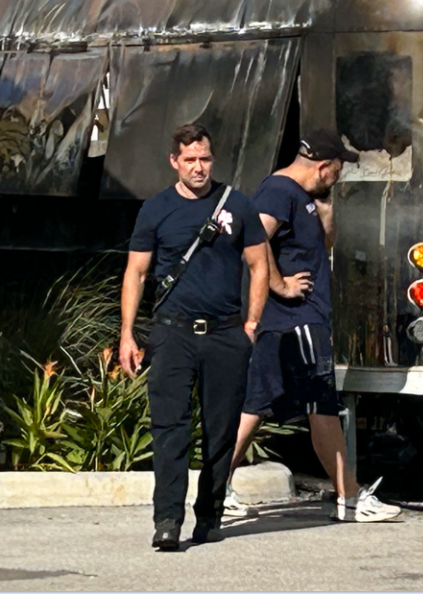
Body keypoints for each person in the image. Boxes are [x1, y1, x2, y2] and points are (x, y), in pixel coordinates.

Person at [119, 124, 275, 551]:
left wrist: (251, 324)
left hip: (226, 335)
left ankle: (209, 515)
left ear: (212, 159)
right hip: (172, 334)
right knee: (170, 429)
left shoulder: (237, 205)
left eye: (204, 159)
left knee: (221, 431)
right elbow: (136, 273)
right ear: (175, 162)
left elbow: (260, 265)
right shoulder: (156, 209)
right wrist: (128, 334)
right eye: (189, 160)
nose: (198, 167)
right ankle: (167, 520)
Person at [231, 130, 401, 522]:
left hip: (296, 320)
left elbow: (319, 246)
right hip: (297, 320)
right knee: (321, 406)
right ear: (324, 166)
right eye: (340, 168)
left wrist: (327, 220)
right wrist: (279, 284)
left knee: (256, 405)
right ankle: (351, 499)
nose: (341, 176)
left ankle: (214, 488)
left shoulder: (306, 198)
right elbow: (253, 240)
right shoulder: (279, 191)